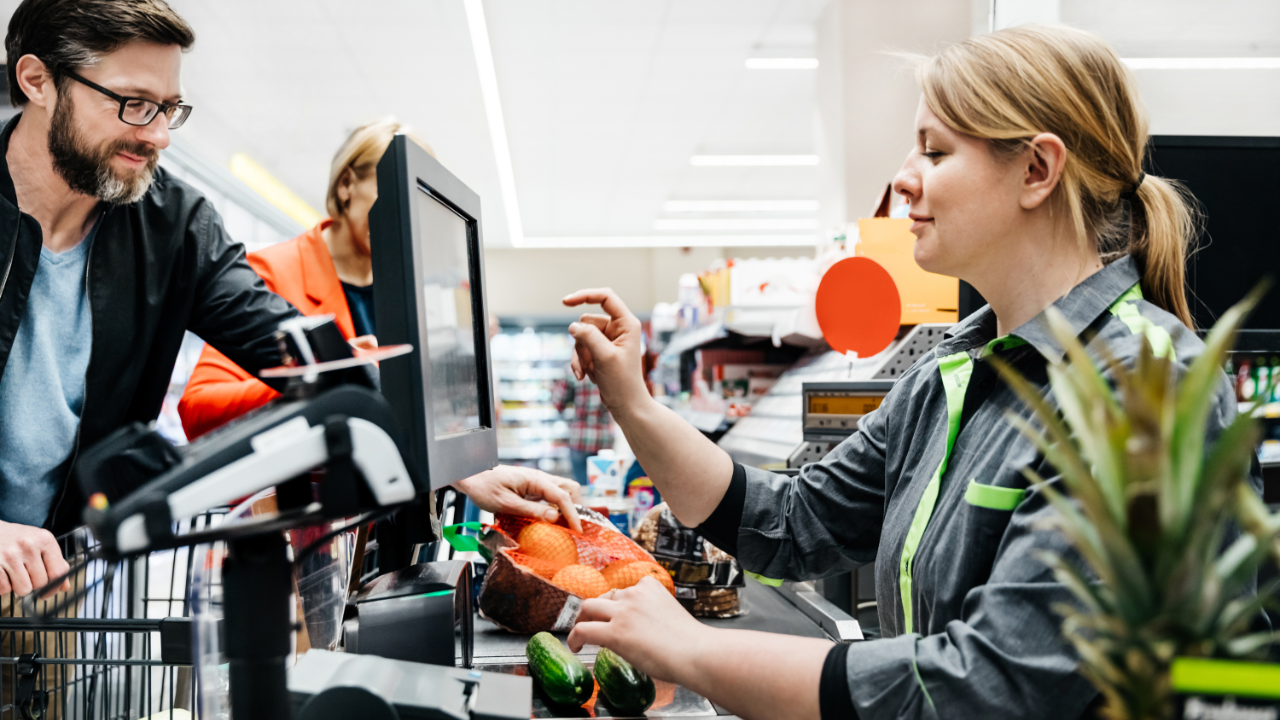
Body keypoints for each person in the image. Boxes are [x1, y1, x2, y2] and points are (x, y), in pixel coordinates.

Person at [558, 25, 1261, 720]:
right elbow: (791, 522)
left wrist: (692, 650)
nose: (902, 177)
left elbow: (990, 684)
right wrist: (633, 400)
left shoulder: (1145, 392)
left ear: (1037, 171)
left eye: (935, 150)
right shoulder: (951, 375)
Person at [0, 0, 304, 598]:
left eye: (168, 108)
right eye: (133, 104)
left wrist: (447, 455)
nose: (158, 135)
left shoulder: (175, 225)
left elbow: (290, 347)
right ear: (38, 80)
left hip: (55, 586)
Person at [177, 118, 583, 532]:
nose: (405, 217)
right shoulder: (273, 274)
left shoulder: (418, 293)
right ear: (346, 185)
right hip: (299, 531)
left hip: (388, 527)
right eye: (391, 192)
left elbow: (436, 422)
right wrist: (334, 376)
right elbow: (199, 410)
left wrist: (468, 368)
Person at [554, 370, 614, 486]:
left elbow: (559, 403)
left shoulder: (573, 371)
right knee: (604, 486)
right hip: (604, 439)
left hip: (580, 438)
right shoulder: (608, 368)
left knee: (581, 488)